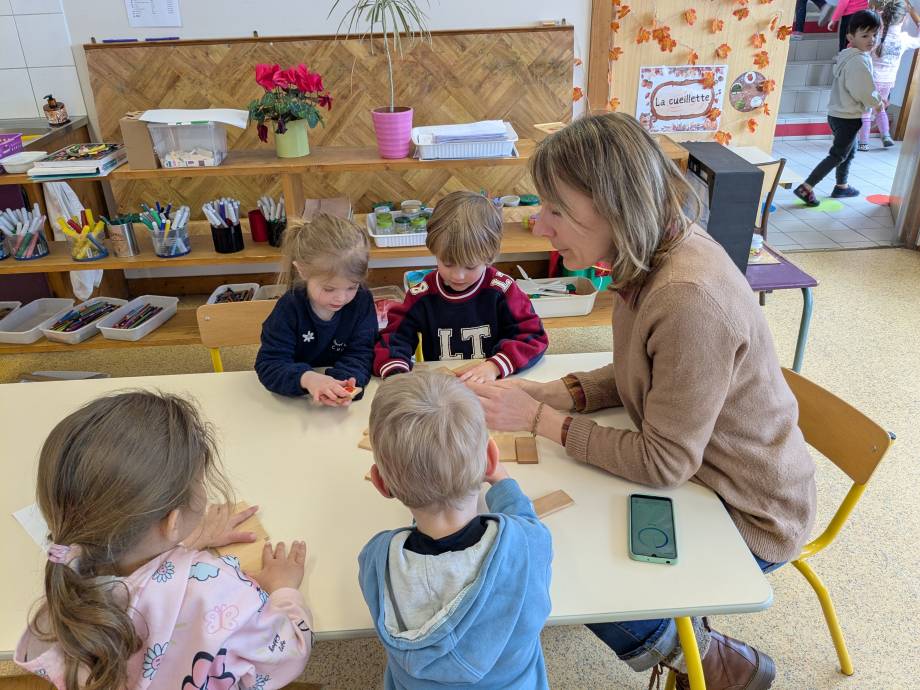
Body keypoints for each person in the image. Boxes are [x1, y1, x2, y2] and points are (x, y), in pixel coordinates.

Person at [469, 113, 816, 690]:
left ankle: (707, 658)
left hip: (746, 508)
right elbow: (647, 367)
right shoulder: (654, 252)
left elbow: (664, 463)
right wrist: (560, 393)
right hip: (703, 474)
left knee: (562, 565)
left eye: (556, 210)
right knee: (564, 531)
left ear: (614, 206)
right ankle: (688, 641)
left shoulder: (687, 296)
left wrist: (540, 419)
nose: (540, 224)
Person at [15, 391, 313, 689]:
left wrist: (181, 544)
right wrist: (283, 589)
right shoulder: (217, 587)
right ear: (172, 521)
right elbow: (287, 655)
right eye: (199, 481)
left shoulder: (68, 575)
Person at [359, 371, 553, 689]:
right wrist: (502, 482)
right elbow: (527, 521)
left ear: (381, 483)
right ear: (491, 458)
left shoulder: (375, 559)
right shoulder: (528, 544)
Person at [373, 191, 547, 383]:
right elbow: (394, 337)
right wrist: (396, 371)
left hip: (492, 382)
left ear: (490, 257)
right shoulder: (422, 294)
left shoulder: (502, 289)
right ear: (434, 251)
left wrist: (495, 366)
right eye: (447, 264)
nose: (458, 276)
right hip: (443, 388)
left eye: (470, 266)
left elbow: (534, 337)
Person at [256, 212, 378, 405]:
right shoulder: (289, 308)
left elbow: (361, 352)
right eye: (329, 289)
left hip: (332, 405)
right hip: (296, 402)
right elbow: (270, 364)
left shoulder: (361, 300)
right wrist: (308, 379)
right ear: (302, 271)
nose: (341, 298)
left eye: (352, 287)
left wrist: (343, 384)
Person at [794, 10, 884, 206]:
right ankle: (806, 187)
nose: (871, 40)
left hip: (837, 114)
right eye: (865, 35)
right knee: (838, 155)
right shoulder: (858, 61)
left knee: (849, 152)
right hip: (848, 117)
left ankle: (841, 186)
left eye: (875, 34)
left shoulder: (848, 55)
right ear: (850, 37)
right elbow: (863, 90)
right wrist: (877, 103)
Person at [859, 0, 920, 149]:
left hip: (871, 80)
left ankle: (863, 143)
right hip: (887, 82)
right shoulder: (904, 39)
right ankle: (885, 135)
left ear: (883, 16)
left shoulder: (875, 37)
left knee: (866, 111)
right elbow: (918, 42)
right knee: (880, 108)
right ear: (903, 19)